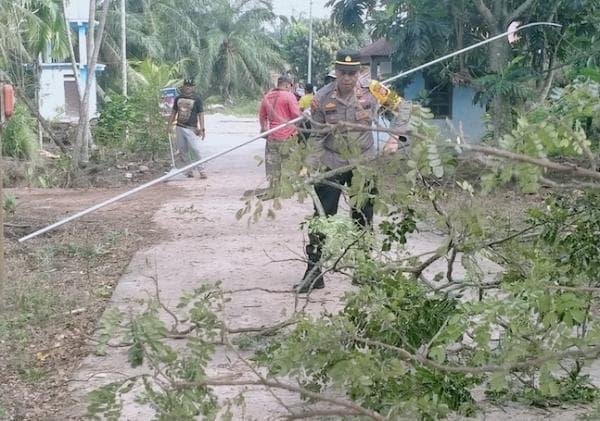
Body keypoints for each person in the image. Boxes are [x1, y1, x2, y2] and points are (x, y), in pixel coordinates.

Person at [294, 49, 405, 293]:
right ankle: (314, 273)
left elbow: (404, 108)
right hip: (331, 162)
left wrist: (394, 138)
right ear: (335, 72)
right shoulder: (320, 99)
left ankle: (364, 270)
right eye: (343, 73)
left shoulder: (374, 91)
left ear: (359, 72)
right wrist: (308, 166)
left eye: (352, 73)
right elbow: (317, 137)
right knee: (321, 218)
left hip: (363, 163)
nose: (347, 78)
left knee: (363, 218)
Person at [258, 75, 302, 196]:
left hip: (272, 136)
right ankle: (288, 189)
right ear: (287, 85)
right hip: (288, 136)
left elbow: (262, 116)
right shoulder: (289, 96)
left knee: (273, 164)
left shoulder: (267, 97)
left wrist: (264, 129)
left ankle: (274, 188)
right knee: (289, 163)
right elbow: (296, 116)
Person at [167, 79, 206, 179]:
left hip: (191, 128)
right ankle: (189, 170)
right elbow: (174, 112)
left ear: (193, 87)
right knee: (182, 150)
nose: (188, 87)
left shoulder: (197, 99)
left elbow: (200, 114)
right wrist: (169, 125)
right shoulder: (178, 98)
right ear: (183, 86)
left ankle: (202, 170)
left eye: (190, 86)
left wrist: (202, 128)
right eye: (186, 85)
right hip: (179, 126)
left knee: (194, 149)